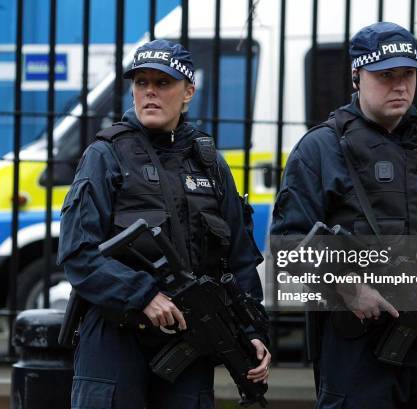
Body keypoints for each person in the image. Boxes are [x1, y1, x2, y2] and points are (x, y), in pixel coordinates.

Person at [270, 22, 417, 408]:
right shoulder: (321, 148)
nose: (399, 85)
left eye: (407, 74)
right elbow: (289, 244)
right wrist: (347, 286)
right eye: (385, 76)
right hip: (361, 351)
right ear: (356, 76)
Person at [57, 39, 270, 409]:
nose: (150, 92)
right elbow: (78, 253)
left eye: (163, 83)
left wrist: (251, 330)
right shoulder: (105, 155)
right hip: (115, 337)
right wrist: (142, 295)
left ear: (188, 92)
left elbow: (239, 259)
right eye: (142, 83)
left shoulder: (209, 163)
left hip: (189, 336)